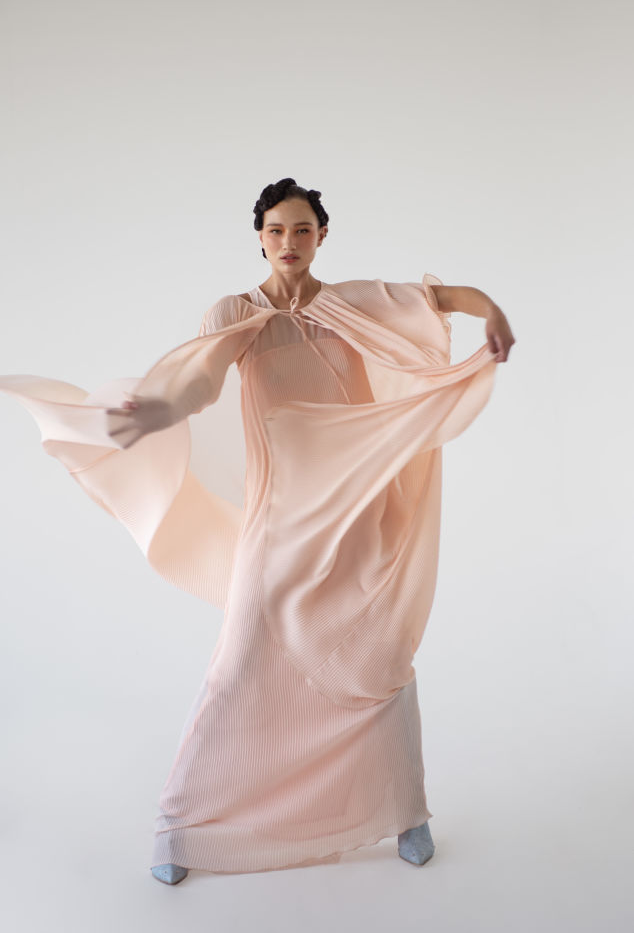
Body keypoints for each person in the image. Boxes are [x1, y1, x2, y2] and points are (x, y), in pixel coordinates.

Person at [0, 177, 515, 885]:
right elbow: (202, 379)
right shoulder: (236, 312)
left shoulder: (353, 301)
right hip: (280, 517)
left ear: (322, 236)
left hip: (358, 507)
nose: (288, 242)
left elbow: (445, 298)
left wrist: (495, 316)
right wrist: (162, 412)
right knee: (238, 661)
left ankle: (406, 811)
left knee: (379, 657)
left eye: (302, 230)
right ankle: (182, 826)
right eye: (276, 230)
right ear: (260, 238)